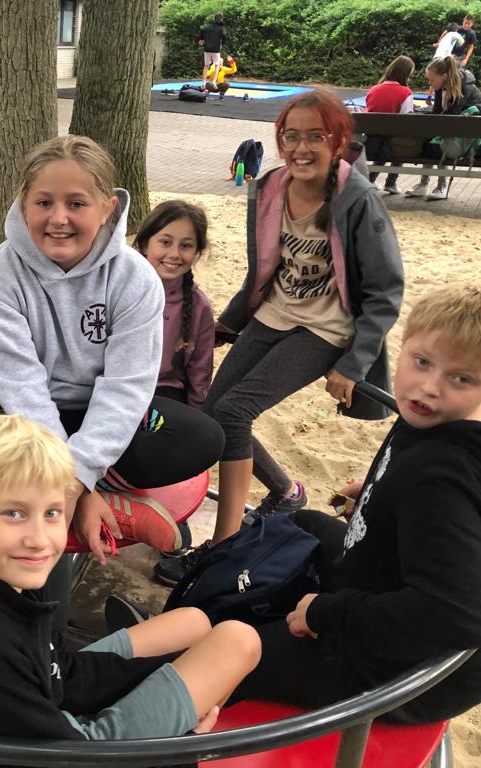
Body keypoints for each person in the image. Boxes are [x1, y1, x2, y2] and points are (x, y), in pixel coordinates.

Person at [227, 284, 481, 723]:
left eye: (461, 378)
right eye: (422, 361)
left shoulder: (443, 480)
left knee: (230, 652)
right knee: (302, 524)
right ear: (405, 345)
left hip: (411, 669)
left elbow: (458, 616)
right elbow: (459, 514)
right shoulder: (453, 417)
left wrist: (325, 613)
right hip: (397, 586)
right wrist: (383, 491)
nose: (429, 387)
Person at [0, 135, 225, 564]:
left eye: (76, 204)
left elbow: (126, 387)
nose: (58, 218)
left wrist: (76, 477)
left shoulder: (135, 279)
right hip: (20, 419)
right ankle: (99, 501)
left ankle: (44, 495)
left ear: (107, 208)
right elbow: (19, 384)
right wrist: (76, 486)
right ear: (23, 204)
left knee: (201, 438)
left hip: (99, 415)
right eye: (44, 202)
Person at [0, 414, 261, 767]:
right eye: (13, 514)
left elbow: (61, 671)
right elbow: (70, 755)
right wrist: (182, 744)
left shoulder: (2, 575)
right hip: (68, 751)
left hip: (42, 720)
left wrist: (160, 671)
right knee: (239, 641)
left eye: (52, 513)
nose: (39, 539)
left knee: (194, 622)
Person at [156, 88, 404, 583]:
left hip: (325, 328)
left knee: (233, 412)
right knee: (213, 412)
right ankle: (286, 491)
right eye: (290, 137)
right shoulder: (270, 187)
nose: (301, 148)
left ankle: (223, 545)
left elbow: (385, 290)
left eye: (316, 137)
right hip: (274, 314)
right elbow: (264, 268)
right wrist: (230, 322)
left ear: (338, 141)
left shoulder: (358, 201)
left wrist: (353, 364)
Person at [134, 200, 215, 410]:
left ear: (197, 252)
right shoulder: (119, 291)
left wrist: (197, 414)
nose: (175, 254)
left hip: (163, 391)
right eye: (165, 242)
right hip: (114, 388)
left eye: (186, 246)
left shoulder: (199, 307)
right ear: (145, 245)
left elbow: (200, 369)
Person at [405, 55, 481, 200]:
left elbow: (451, 116)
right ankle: (424, 184)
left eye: (432, 80)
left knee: (435, 145)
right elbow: (438, 113)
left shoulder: (462, 87)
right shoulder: (441, 87)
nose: (430, 83)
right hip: (452, 131)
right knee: (429, 143)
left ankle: (441, 186)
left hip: (465, 137)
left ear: (444, 76)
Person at [365, 55, 416, 194]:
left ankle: (371, 179)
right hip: (392, 141)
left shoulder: (373, 89)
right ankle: (391, 182)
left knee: (385, 140)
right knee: (401, 140)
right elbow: (406, 119)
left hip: (372, 139)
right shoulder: (406, 92)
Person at [197, 12, 228, 82]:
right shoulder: (222, 28)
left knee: (206, 66)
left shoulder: (208, 26)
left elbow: (202, 29)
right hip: (216, 49)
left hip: (207, 49)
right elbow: (224, 37)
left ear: (214, 19)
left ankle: (203, 82)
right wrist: (221, 44)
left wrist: (201, 38)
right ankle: (214, 81)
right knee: (217, 65)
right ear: (221, 19)